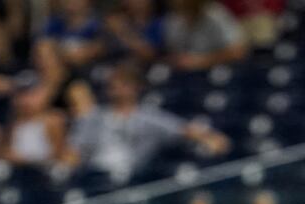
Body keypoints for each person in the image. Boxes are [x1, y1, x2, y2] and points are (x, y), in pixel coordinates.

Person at [67, 62, 229, 177]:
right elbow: (75, 150)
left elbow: (182, 129)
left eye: (123, 83)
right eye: (112, 84)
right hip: (96, 175)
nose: (116, 89)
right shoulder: (96, 116)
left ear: (135, 87)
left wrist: (210, 138)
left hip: (132, 177)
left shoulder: (149, 116)